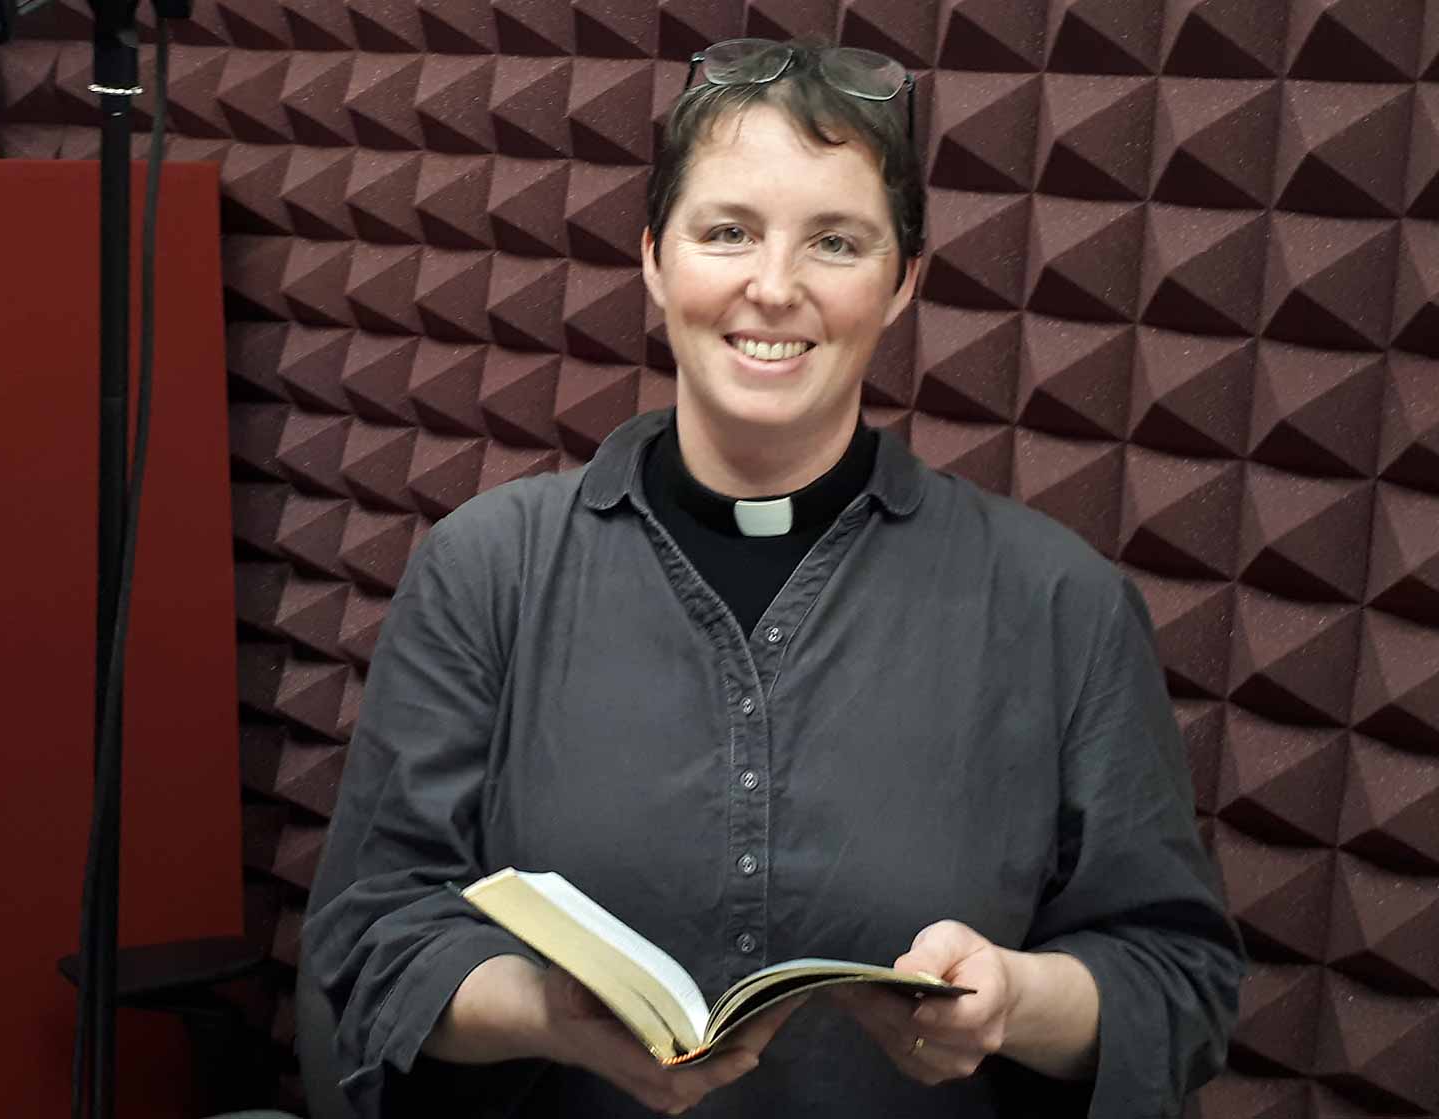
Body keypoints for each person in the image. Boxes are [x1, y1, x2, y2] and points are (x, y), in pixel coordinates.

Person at [301, 36, 1246, 1119]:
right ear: (655, 257)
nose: (774, 287)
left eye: (836, 243)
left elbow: (1181, 987)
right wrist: (540, 1012)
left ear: (901, 283)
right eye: (728, 232)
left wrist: (1021, 999)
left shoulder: (1056, 601)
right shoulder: (485, 571)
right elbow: (370, 935)